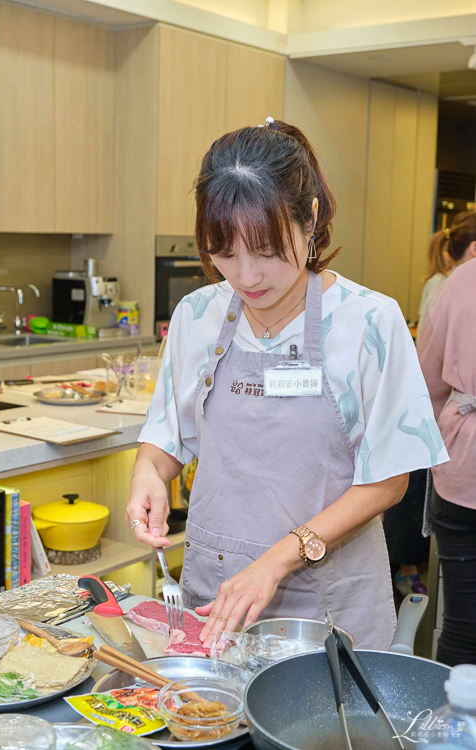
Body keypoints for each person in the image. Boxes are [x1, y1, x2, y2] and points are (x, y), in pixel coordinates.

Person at [126, 118, 448, 650]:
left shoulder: (369, 321)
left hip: (328, 606)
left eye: (268, 251)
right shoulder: (196, 315)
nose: (246, 276)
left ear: (312, 218)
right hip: (216, 595)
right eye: (223, 253)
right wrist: (148, 473)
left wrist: (277, 561)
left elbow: (390, 480)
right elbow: (166, 437)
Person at [417, 211, 476, 666]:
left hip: (463, 469)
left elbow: (427, 379)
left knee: (463, 627)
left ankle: (456, 732)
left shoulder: (463, 280)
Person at [384, 225, 455, 597]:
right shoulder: (447, 285)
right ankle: (406, 567)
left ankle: (407, 566)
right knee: (409, 491)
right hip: (429, 397)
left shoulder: (446, 284)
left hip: (432, 397)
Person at [416, 228, 453, 344]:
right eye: (447, 250)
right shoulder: (438, 281)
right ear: (438, 255)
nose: (452, 254)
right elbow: (430, 323)